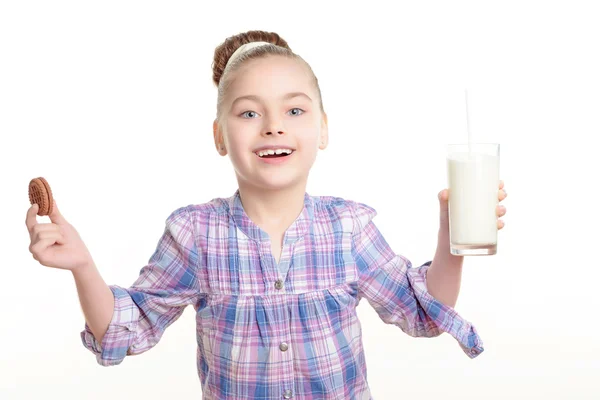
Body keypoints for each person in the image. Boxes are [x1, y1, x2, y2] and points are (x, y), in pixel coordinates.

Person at [25, 30, 508, 399]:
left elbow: (424, 311)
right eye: (249, 113)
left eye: (294, 111)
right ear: (219, 136)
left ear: (323, 128)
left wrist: (453, 237)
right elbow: (127, 330)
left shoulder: (350, 228)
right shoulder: (195, 233)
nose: (274, 126)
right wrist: (84, 266)